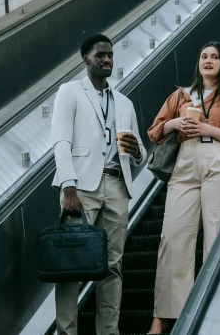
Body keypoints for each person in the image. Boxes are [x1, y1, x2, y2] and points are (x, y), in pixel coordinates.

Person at [145, 42, 220, 334]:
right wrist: (174, 123)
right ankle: (165, 314)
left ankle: (214, 309)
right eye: (204, 56)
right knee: (173, 235)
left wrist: (208, 129)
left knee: (216, 232)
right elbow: (155, 131)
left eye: (215, 57)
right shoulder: (181, 95)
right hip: (185, 163)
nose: (208, 60)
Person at [52, 33, 148, 335]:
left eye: (110, 55)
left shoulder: (124, 103)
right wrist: (68, 184)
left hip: (118, 187)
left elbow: (141, 154)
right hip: (81, 186)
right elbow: (61, 140)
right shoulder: (70, 92)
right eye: (100, 55)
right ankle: (67, 332)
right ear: (86, 58)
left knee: (113, 266)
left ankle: (109, 331)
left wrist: (137, 152)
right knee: (71, 266)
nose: (106, 59)